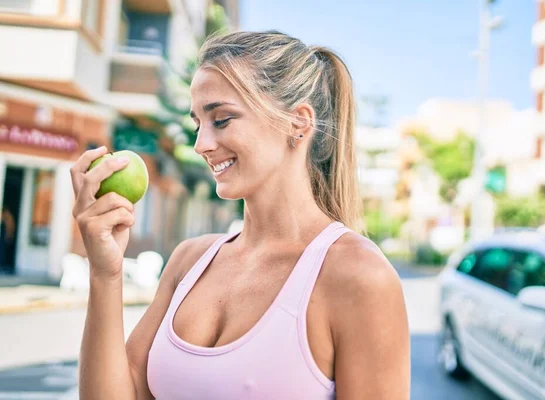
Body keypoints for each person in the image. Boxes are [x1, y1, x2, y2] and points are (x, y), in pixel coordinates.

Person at [71, 30, 410, 399]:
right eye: (198, 123)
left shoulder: (359, 276)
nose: (201, 144)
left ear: (298, 122)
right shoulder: (190, 261)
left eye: (222, 119)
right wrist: (105, 274)